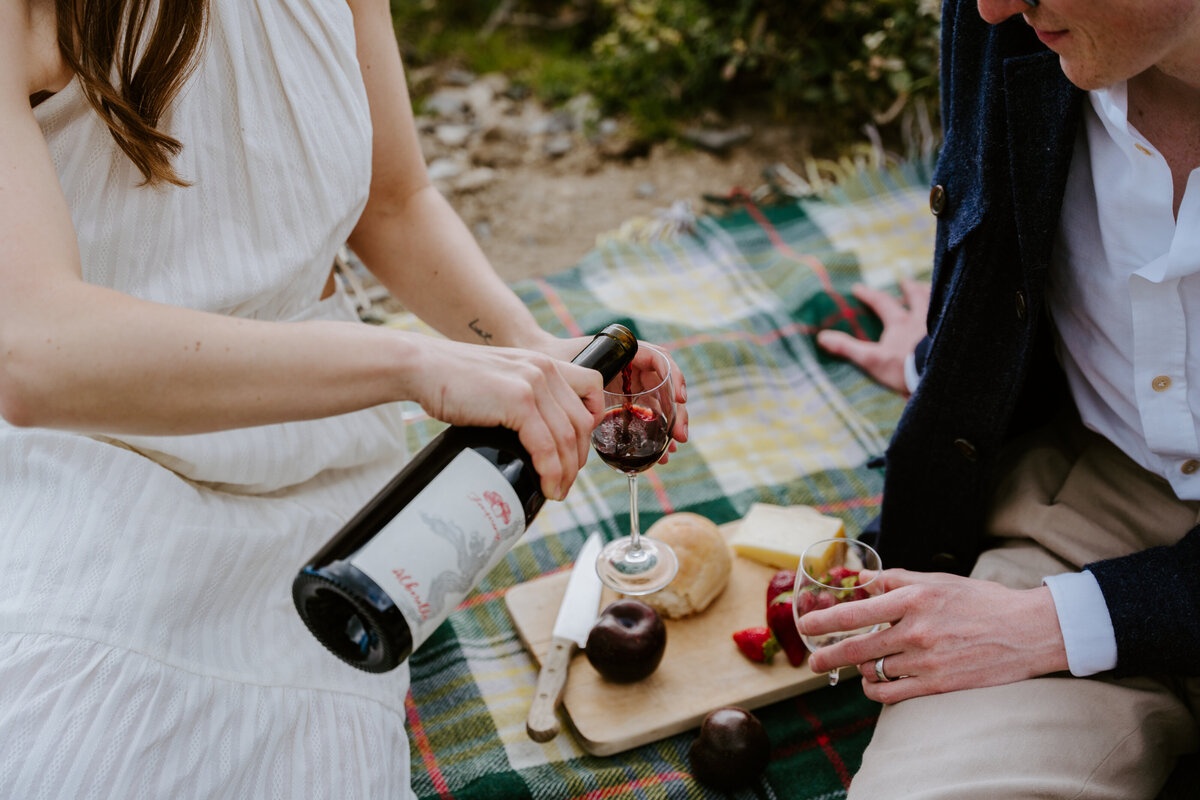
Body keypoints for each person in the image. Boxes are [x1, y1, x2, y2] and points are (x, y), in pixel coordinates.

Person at [0, 0, 687, 796]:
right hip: (85, 461)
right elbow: (35, 352)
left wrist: (525, 350)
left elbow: (394, 202)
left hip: (325, 474)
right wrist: (411, 362)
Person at [803, 0, 1200, 797]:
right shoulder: (1020, 24)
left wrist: (1055, 625)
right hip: (1096, 510)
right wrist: (949, 354)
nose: (989, 4)